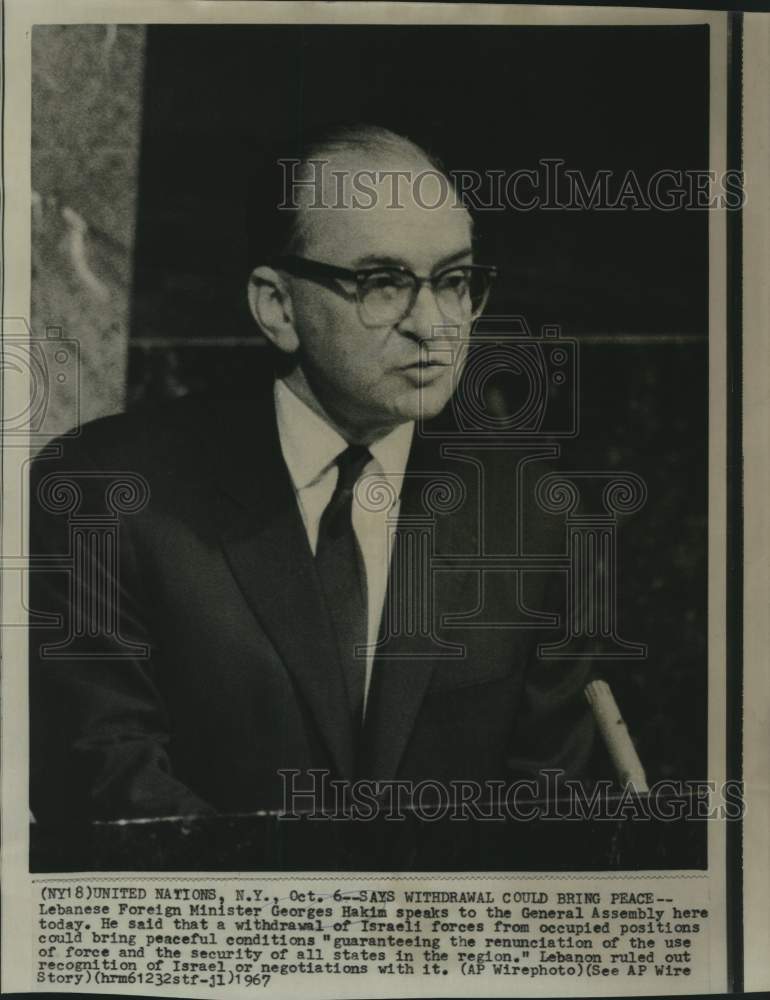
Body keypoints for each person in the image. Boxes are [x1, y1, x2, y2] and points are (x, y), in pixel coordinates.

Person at [29, 124, 598, 825]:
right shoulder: (111, 492)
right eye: (383, 284)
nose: (434, 325)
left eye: (454, 282)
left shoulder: (533, 515)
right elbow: (107, 780)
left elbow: (548, 811)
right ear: (278, 307)